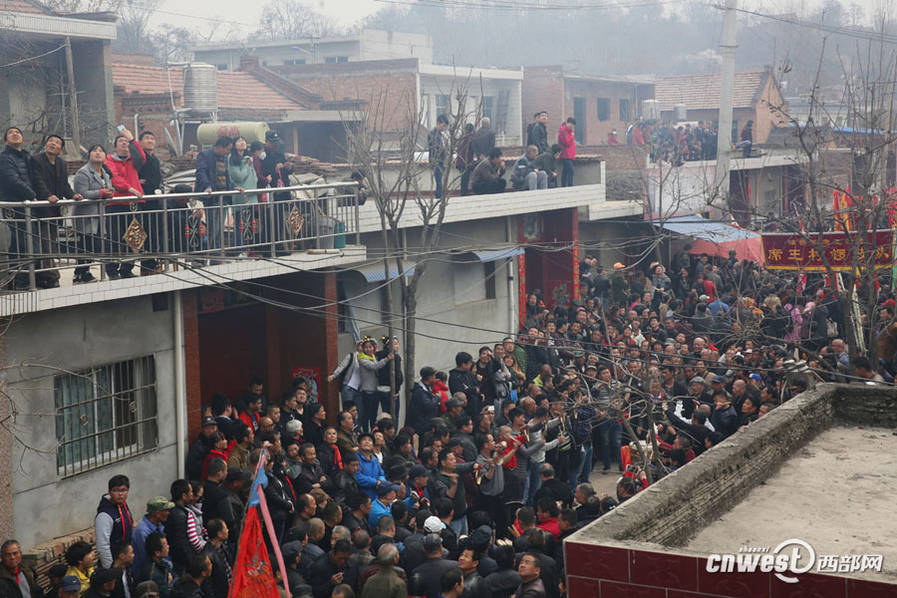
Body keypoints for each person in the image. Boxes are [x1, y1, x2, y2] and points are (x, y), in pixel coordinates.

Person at [0, 126, 52, 289]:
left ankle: (31, 279)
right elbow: (11, 180)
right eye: (11, 133)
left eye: (18, 132)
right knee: (21, 243)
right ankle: (19, 281)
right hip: (16, 206)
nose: (15, 134)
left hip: (30, 207)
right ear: (5, 140)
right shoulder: (4, 158)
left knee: (32, 243)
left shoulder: (28, 158)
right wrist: (31, 195)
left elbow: (36, 178)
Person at [31, 133, 80, 287]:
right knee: (44, 244)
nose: (53, 143)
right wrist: (47, 195)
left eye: (57, 142)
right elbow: (37, 181)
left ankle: (47, 275)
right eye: (50, 141)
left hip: (54, 211)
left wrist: (73, 195)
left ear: (61, 149)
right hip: (41, 208)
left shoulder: (60, 163)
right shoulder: (36, 160)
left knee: (51, 244)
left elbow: (64, 185)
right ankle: (51, 276)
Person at [104, 129, 146, 278]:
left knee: (134, 236)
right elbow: (113, 178)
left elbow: (142, 157)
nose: (124, 143)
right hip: (116, 203)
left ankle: (127, 268)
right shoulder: (108, 160)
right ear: (115, 146)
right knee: (114, 237)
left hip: (134, 203)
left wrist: (133, 140)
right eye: (121, 141)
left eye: (126, 142)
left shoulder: (133, 160)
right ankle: (112, 269)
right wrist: (129, 188)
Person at [72, 144, 114, 283]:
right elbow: (82, 193)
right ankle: (80, 273)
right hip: (86, 214)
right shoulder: (83, 172)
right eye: (94, 151)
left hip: (100, 214)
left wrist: (109, 194)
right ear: (89, 155)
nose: (98, 153)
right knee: (86, 244)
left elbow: (109, 189)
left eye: (101, 151)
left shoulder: (105, 173)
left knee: (95, 243)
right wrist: (101, 193)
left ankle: (86, 271)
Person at [194, 136, 233, 254]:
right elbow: (201, 172)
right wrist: (207, 186)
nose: (228, 152)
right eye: (227, 149)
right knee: (213, 228)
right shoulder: (205, 155)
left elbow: (226, 176)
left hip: (224, 197)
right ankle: (213, 255)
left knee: (220, 228)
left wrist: (233, 187)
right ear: (220, 147)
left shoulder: (225, 158)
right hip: (212, 197)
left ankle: (217, 254)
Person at [227, 136, 260, 251]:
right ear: (234, 145)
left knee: (250, 224)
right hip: (240, 196)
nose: (242, 143)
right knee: (240, 225)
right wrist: (246, 165)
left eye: (243, 140)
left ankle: (249, 250)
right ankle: (239, 251)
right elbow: (238, 176)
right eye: (239, 141)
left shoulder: (248, 157)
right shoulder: (232, 159)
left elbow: (254, 176)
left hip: (251, 195)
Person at [96, 474, 134, 568]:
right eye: (116, 490)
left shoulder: (123, 506)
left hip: (125, 561)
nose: (120, 494)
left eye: (123, 490)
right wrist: (110, 568)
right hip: (113, 564)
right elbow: (103, 545)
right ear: (109, 492)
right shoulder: (104, 515)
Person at [201, 519, 231, 598]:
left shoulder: (223, 547)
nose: (228, 530)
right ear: (219, 534)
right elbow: (207, 586)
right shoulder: (207, 556)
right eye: (225, 528)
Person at [137, 533, 172, 598]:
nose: (168, 546)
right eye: (165, 545)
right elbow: (166, 594)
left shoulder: (161, 562)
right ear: (157, 553)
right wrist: (168, 583)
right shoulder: (153, 574)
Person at [408, 367, 440, 436]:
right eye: (434, 376)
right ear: (429, 377)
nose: (435, 378)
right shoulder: (420, 391)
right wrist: (437, 398)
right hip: (421, 426)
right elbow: (428, 405)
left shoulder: (427, 388)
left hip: (426, 424)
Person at [428, 114, 449, 199]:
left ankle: (440, 197)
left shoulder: (439, 134)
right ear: (438, 123)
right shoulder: (432, 134)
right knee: (439, 182)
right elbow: (435, 147)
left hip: (440, 161)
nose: (444, 128)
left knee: (440, 182)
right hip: (436, 161)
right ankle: (439, 198)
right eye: (443, 126)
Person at [456, 123, 475, 196]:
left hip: (460, 161)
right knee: (465, 178)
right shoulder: (470, 138)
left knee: (464, 177)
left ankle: (463, 192)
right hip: (466, 161)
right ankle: (464, 192)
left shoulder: (462, 138)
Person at [557, 117, 576, 187]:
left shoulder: (569, 131)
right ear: (567, 123)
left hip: (569, 154)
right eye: (570, 124)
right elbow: (566, 142)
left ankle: (563, 186)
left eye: (573, 125)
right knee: (570, 170)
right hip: (565, 154)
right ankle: (569, 186)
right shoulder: (563, 131)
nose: (571, 126)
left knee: (565, 171)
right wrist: (572, 136)